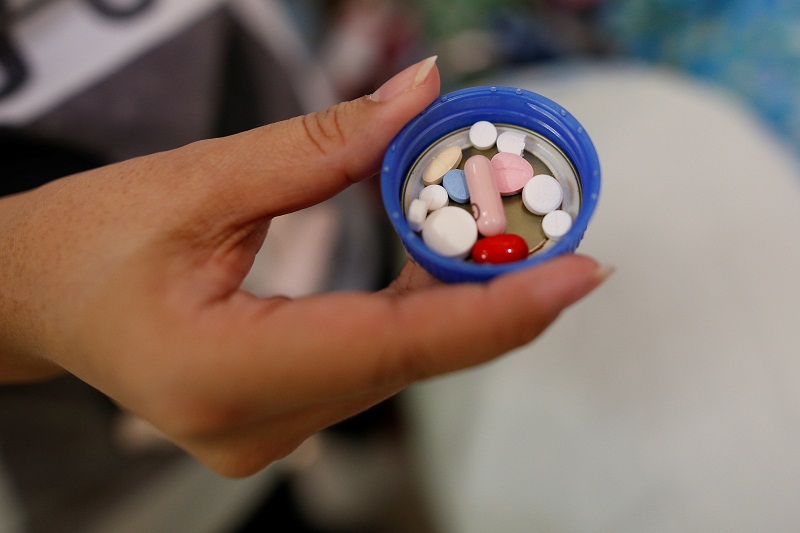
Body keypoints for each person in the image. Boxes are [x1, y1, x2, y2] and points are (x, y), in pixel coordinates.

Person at [0, 55, 609, 477]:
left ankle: (369, 444)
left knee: (352, 386)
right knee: (278, 429)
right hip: (99, 435)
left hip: (331, 216)